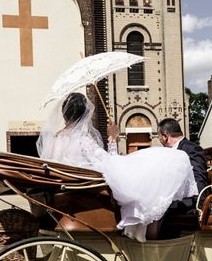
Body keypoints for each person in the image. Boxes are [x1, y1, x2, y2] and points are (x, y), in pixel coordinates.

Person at [36, 92, 197, 242]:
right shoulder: (81, 139)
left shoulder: (55, 139)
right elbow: (108, 164)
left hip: (66, 191)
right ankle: (151, 239)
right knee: (152, 184)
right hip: (87, 192)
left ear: (65, 114)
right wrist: (112, 138)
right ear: (85, 115)